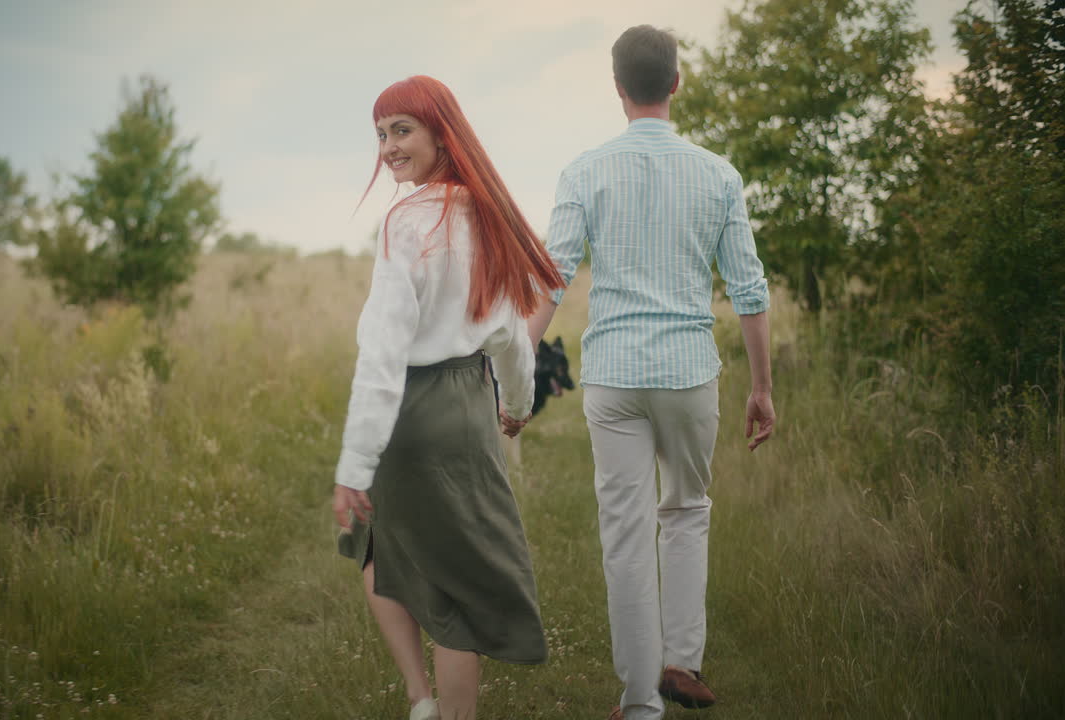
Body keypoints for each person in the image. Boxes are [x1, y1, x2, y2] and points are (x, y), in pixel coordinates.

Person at [521, 25, 776, 720]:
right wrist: (761, 388)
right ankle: (681, 662)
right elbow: (750, 290)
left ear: (617, 88)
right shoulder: (718, 174)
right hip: (689, 372)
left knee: (626, 531)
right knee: (686, 511)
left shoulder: (584, 171)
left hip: (614, 375)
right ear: (676, 83)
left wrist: (514, 372)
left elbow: (550, 280)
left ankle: (639, 705)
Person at [332, 74, 564, 720]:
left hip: (412, 408)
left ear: (441, 132)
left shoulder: (405, 223)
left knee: (375, 546)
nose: (387, 148)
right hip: (469, 403)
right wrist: (515, 405)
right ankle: (427, 707)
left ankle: (421, 699)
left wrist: (353, 467)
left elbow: (381, 357)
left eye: (401, 130)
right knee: (452, 574)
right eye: (380, 134)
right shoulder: (486, 214)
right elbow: (514, 339)